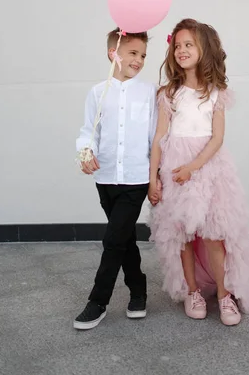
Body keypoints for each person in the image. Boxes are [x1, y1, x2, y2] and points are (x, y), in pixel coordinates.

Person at [148, 19, 249, 326]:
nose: (181, 50)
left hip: (207, 168)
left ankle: (224, 294)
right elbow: (159, 137)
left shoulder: (214, 92)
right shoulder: (169, 93)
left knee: (212, 234)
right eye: (177, 45)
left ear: (203, 49)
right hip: (173, 167)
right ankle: (192, 290)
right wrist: (154, 177)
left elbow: (217, 137)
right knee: (181, 234)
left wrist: (193, 168)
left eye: (188, 45)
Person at [73, 29, 157, 330]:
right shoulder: (98, 92)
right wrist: (86, 152)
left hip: (136, 179)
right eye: (133, 53)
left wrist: (155, 177)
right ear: (114, 54)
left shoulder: (149, 93)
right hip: (106, 177)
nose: (140, 60)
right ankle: (138, 290)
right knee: (124, 239)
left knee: (112, 240)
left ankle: (98, 302)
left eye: (143, 55)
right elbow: (89, 132)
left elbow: (154, 137)